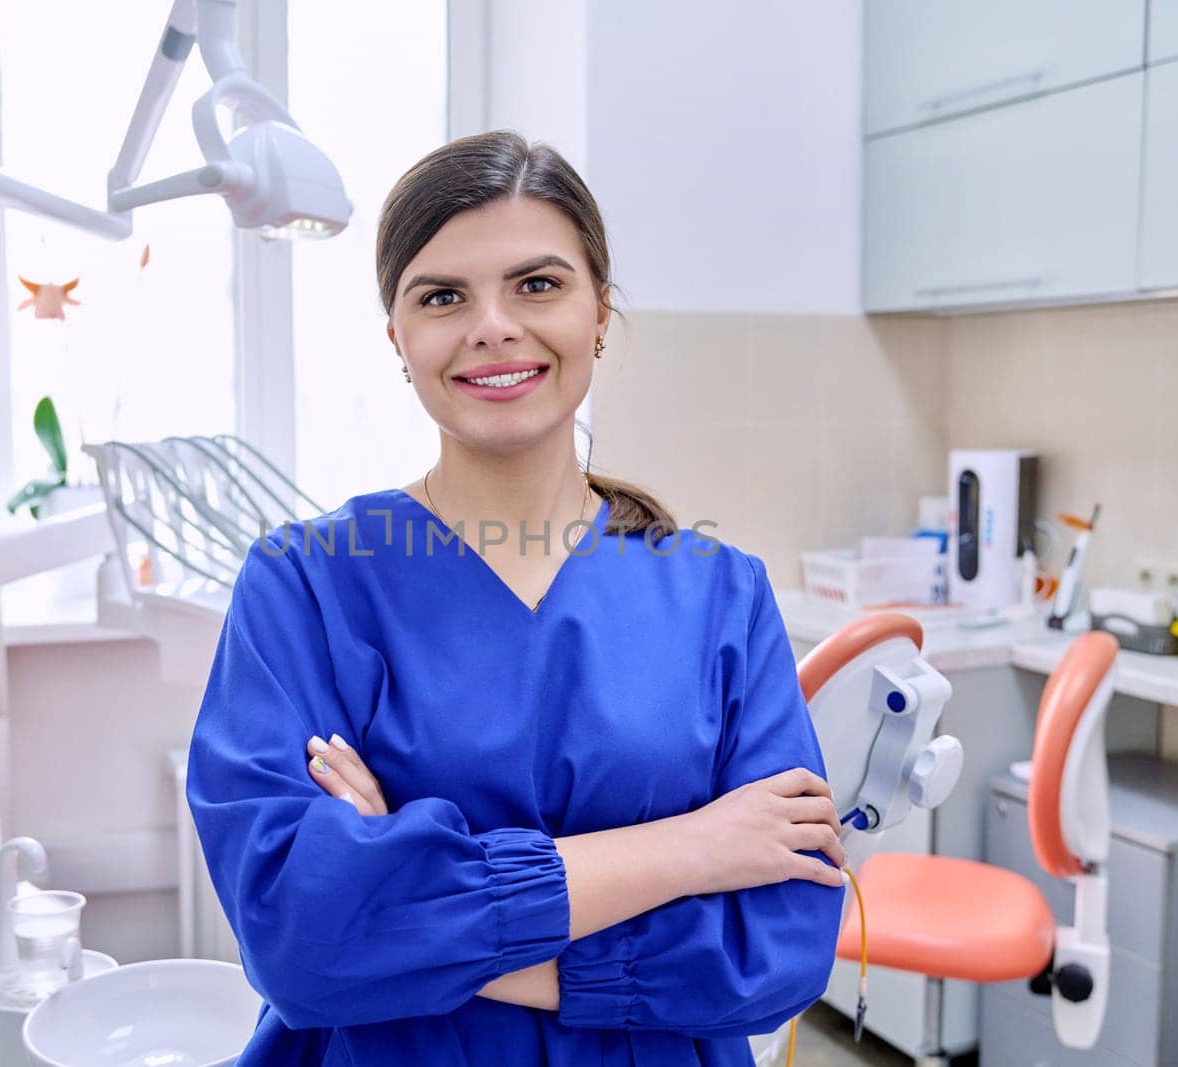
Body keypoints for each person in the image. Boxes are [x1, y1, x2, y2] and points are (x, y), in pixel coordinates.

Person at [186, 130, 846, 1066]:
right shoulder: (304, 584)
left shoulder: (718, 595)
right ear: (398, 338)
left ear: (600, 313)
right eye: (443, 295)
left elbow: (780, 946)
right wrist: (692, 850)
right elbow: (300, 944)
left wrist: (410, 917)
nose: (492, 325)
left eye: (537, 284)